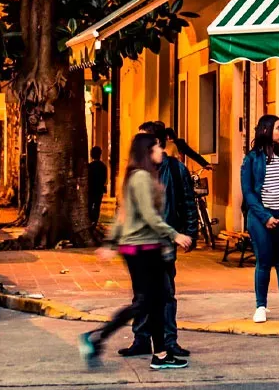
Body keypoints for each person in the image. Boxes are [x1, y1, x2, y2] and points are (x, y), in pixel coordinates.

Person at [79, 133, 193, 371]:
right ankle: (97, 337)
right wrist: (175, 235)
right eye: (158, 148)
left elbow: (123, 215)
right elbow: (149, 216)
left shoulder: (135, 176)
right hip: (142, 248)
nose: (162, 152)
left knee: (154, 301)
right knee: (145, 302)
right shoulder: (141, 177)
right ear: (148, 151)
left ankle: (160, 355)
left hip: (142, 246)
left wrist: (111, 243)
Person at [121, 121, 196, 358]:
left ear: (157, 144)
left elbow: (187, 202)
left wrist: (190, 234)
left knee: (165, 293)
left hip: (162, 243)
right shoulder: (136, 171)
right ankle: (142, 339)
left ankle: (168, 340)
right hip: (139, 243)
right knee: (142, 293)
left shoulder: (175, 169)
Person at [241, 114, 279, 325]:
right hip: (260, 218)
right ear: (267, 130)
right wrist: (265, 217)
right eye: (278, 127)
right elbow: (248, 192)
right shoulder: (251, 159)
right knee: (264, 262)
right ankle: (260, 306)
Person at [87, 145, 107, 227]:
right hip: (99, 190)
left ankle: (90, 221)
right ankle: (94, 222)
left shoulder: (89, 166)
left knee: (89, 205)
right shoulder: (103, 166)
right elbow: (104, 178)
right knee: (97, 206)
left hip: (91, 190)